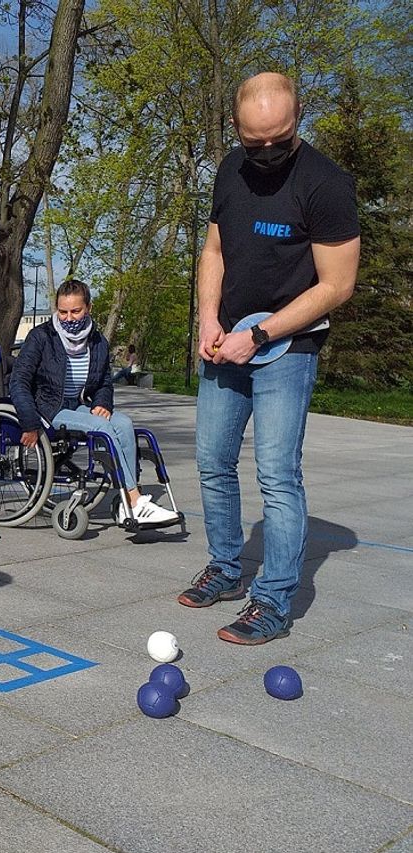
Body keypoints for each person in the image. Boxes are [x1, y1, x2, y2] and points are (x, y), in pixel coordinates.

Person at [183, 72, 359, 644]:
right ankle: (227, 570)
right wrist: (209, 319)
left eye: (279, 141)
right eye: (253, 142)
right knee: (212, 461)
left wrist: (257, 337)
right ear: (235, 128)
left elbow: (336, 285)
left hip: (289, 344)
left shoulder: (326, 183)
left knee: (278, 475)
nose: (266, 154)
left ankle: (275, 601)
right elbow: (214, 250)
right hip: (225, 339)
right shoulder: (229, 170)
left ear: (297, 121)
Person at [9, 280, 181, 527]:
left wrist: (103, 403)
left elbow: (103, 382)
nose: (69, 318)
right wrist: (29, 421)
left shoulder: (98, 341)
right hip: (48, 408)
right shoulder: (41, 337)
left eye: (76, 311)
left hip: (78, 404)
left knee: (123, 423)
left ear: (88, 307)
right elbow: (19, 381)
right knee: (104, 430)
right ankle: (134, 500)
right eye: (63, 311)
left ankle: (127, 502)